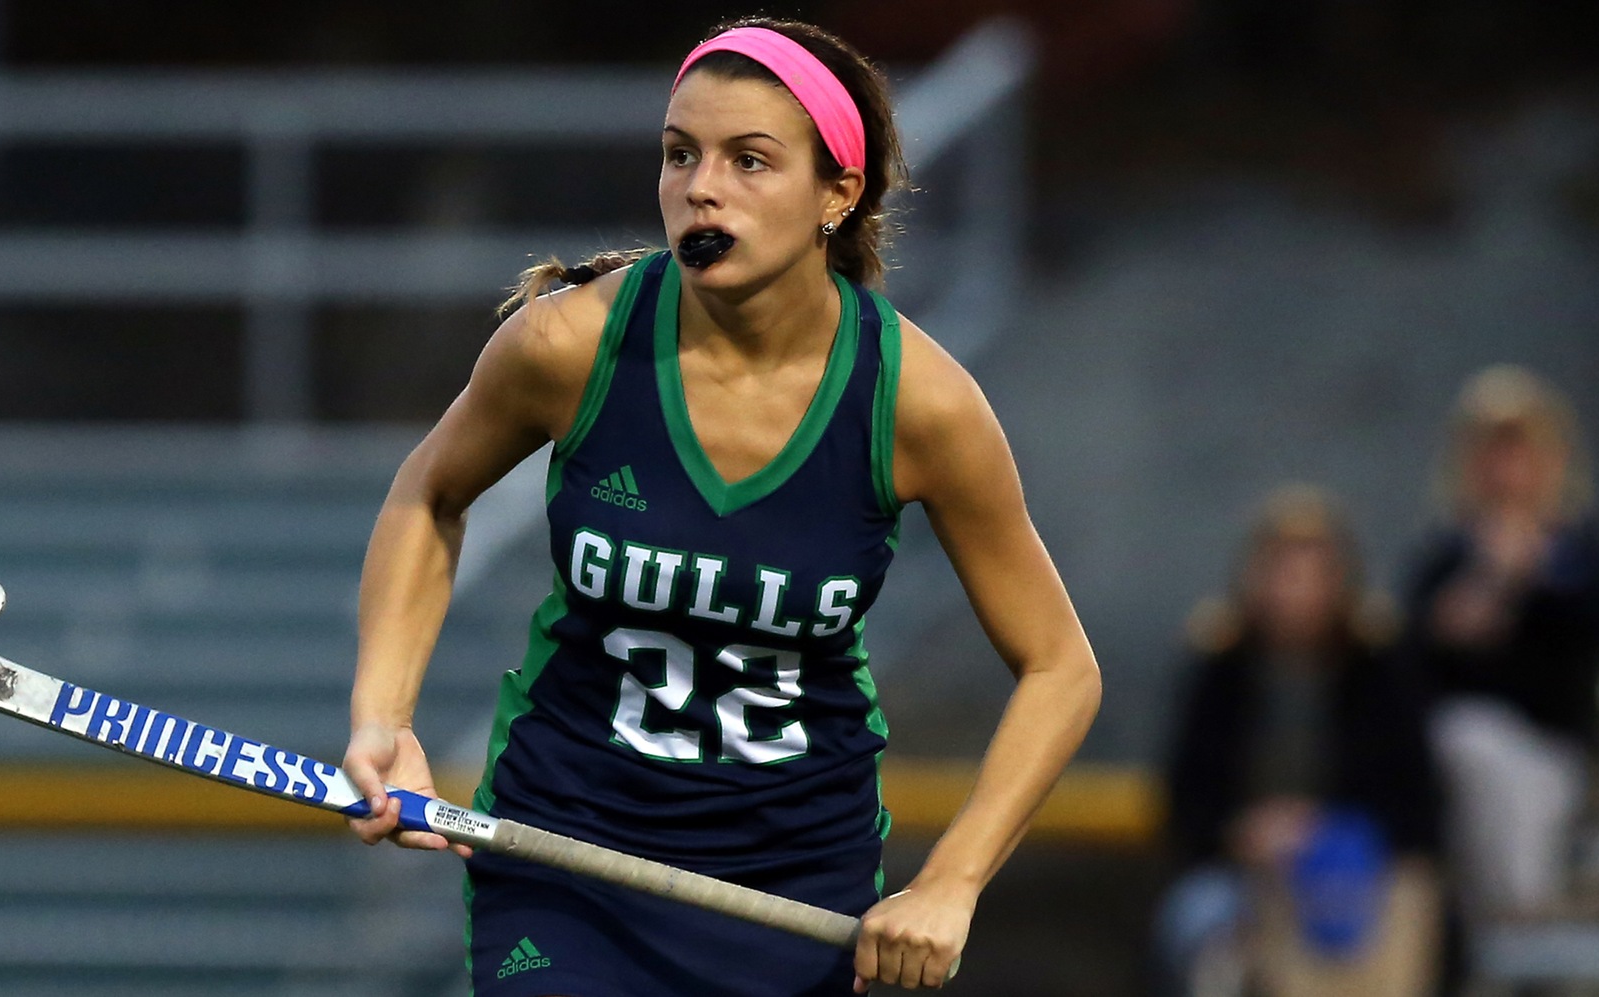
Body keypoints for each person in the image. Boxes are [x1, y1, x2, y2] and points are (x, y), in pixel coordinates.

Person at [340, 17, 1102, 996]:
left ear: (839, 193)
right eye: (679, 154)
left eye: (750, 160)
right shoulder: (570, 345)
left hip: (791, 882)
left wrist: (952, 880)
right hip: (565, 850)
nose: (701, 187)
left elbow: (1059, 668)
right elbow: (428, 494)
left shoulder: (919, 404)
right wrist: (383, 717)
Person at [1157, 486, 1442, 997]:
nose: (1296, 592)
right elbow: (1184, 800)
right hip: (1241, 876)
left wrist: (1324, 831)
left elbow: (1418, 804)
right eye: (1283, 573)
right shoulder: (1221, 668)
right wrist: (1242, 831)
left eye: (1311, 576)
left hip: (1357, 879)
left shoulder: (1377, 670)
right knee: (1201, 923)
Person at [1401, 365, 1599, 921]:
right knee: (1465, 741)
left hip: (1555, 755)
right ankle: (1515, 926)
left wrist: (1521, 580)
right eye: (1491, 453)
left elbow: (1594, 640)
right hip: (1450, 765)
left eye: (1520, 452)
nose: (1506, 471)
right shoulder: (1445, 554)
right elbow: (1413, 659)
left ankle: (1524, 925)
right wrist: (1479, 589)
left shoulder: (1577, 552)